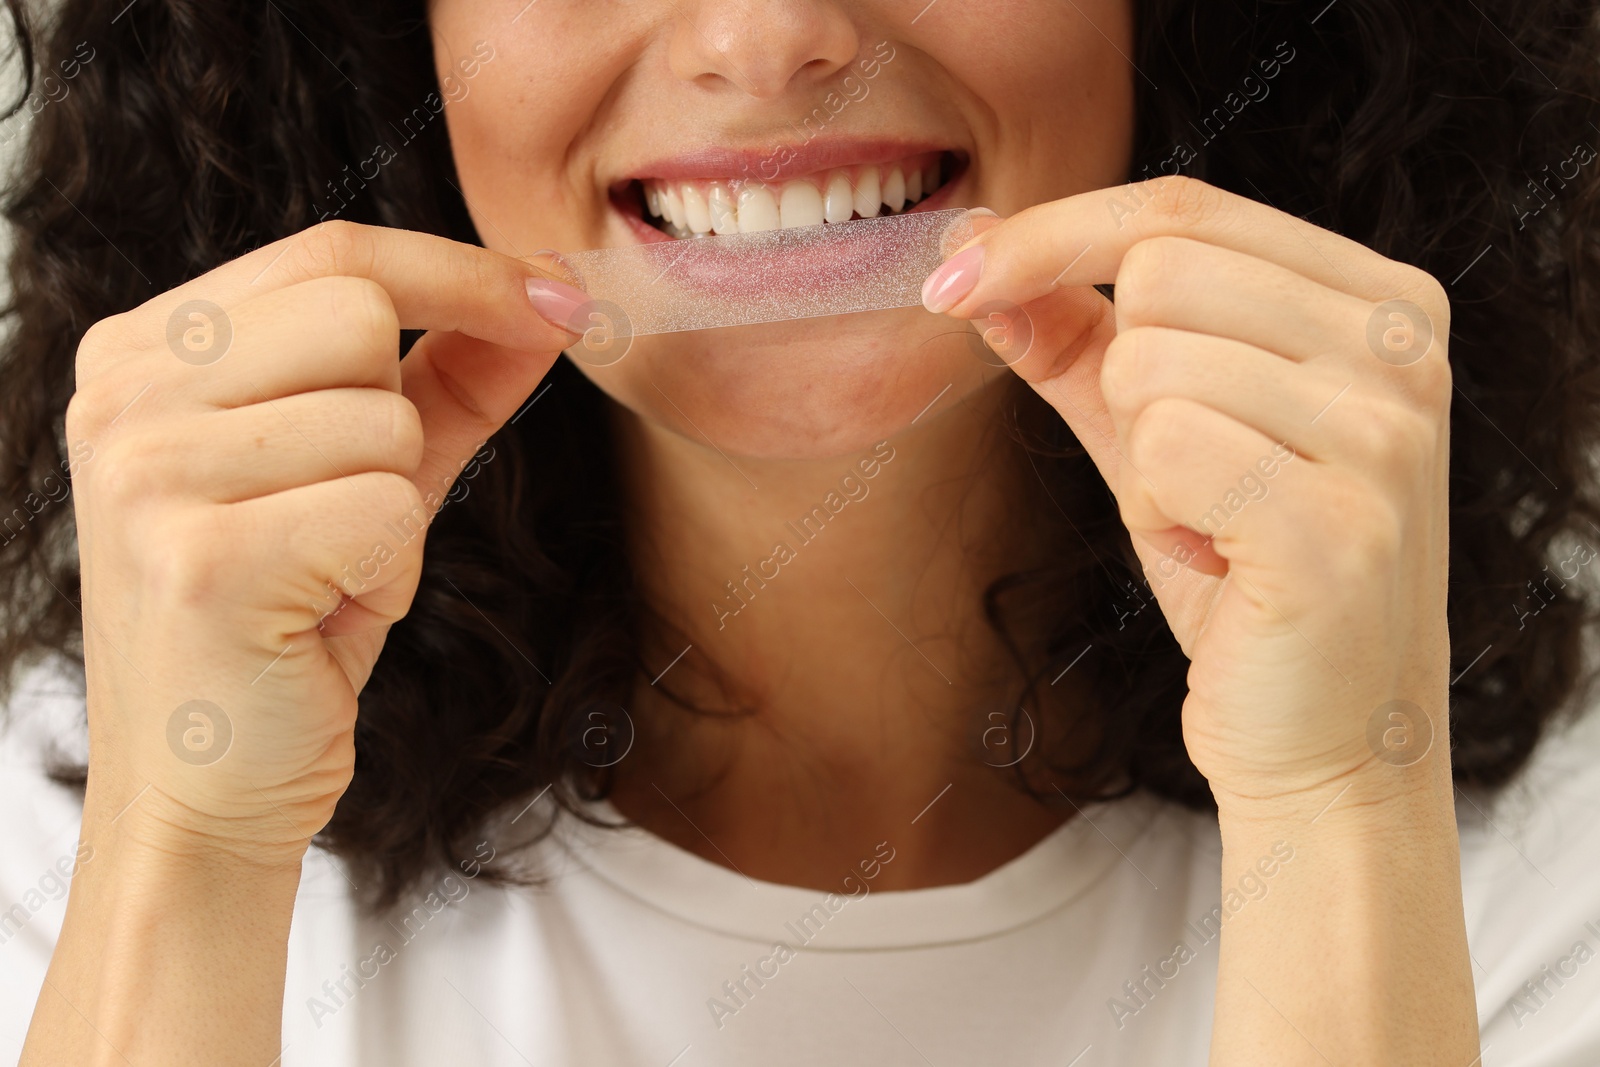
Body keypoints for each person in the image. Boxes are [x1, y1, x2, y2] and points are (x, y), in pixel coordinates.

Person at [3, 0, 1600, 1063]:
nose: (765, 41)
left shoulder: (1550, 863)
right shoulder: (63, 837)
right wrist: (189, 846)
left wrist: (1337, 802)